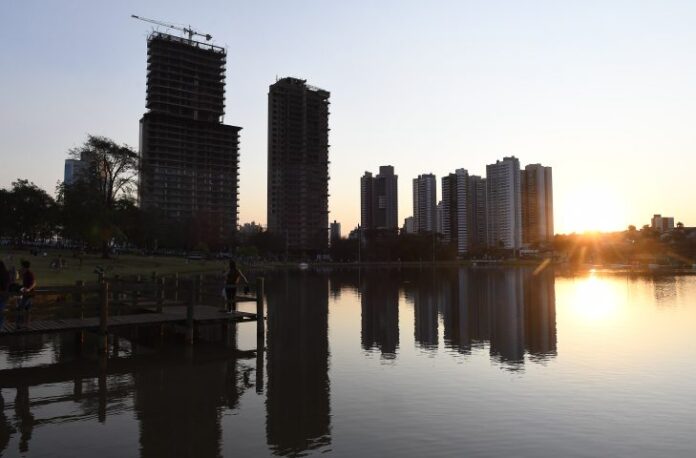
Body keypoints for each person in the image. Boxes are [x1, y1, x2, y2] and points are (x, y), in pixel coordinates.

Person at [0, 261, 10, 331]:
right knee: (1, 312)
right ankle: (1, 327)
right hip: (4, 296)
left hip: (2, 295)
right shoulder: (6, 274)